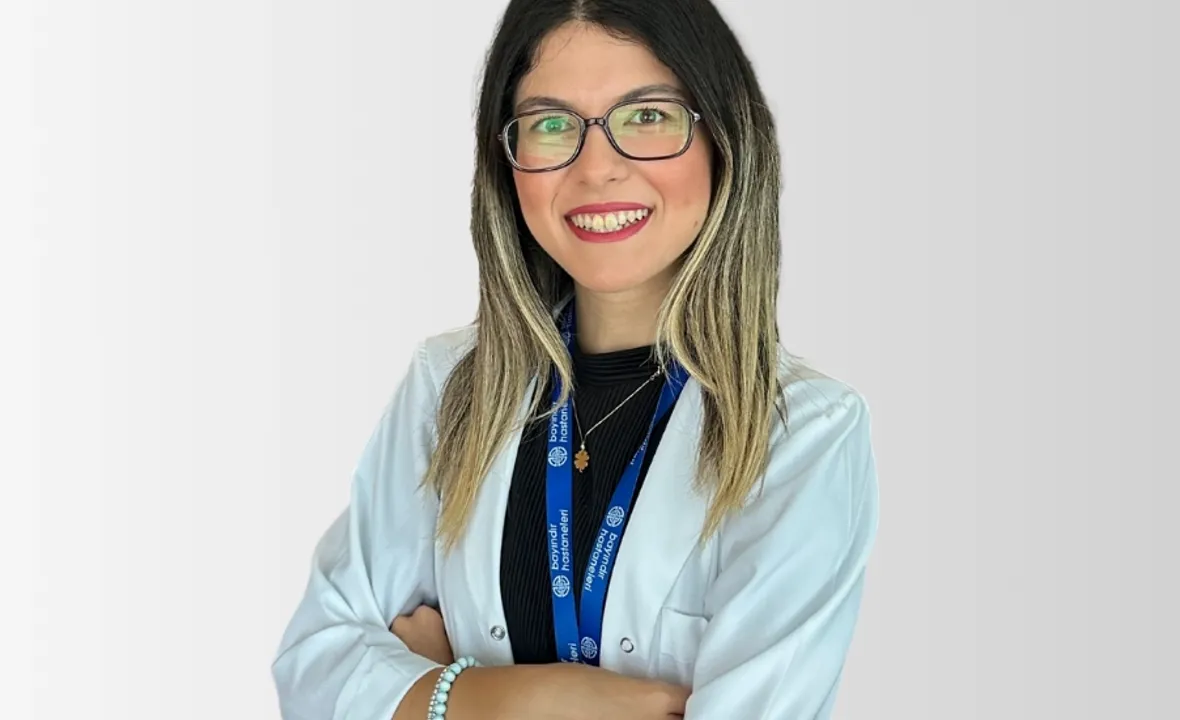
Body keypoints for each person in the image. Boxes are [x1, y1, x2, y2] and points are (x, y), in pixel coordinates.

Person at [271, 1, 880, 718]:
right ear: (507, 159)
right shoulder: (448, 386)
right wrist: (522, 699)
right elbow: (316, 668)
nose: (597, 170)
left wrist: (429, 690)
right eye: (552, 124)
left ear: (724, 138)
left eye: (647, 116)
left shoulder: (804, 433)